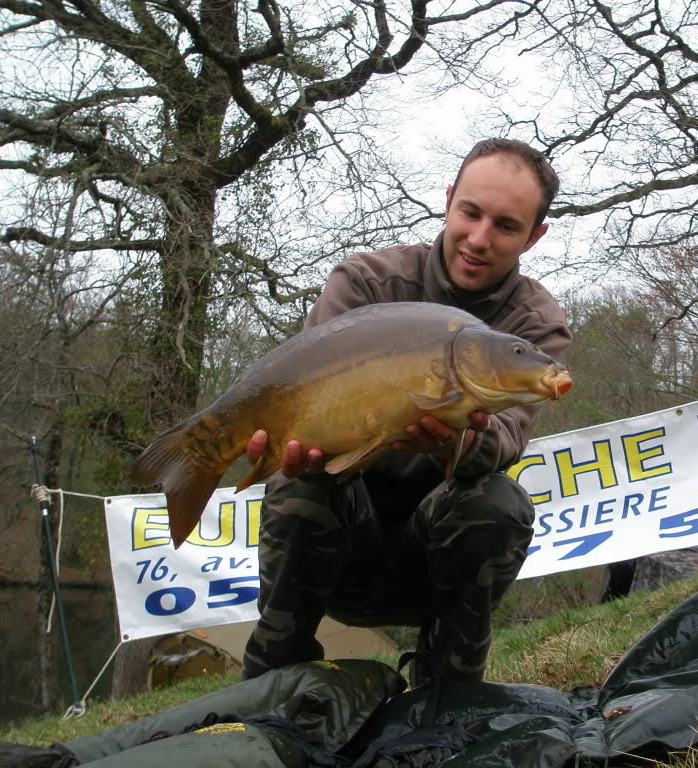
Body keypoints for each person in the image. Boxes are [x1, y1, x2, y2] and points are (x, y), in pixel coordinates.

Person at [240, 138, 572, 685]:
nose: (479, 239)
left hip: (436, 560)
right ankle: (273, 684)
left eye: (507, 226)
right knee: (297, 481)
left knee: (499, 500)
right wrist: (285, 446)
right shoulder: (366, 283)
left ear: (534, 236)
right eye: (470, 212)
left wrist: (456, 441)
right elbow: (297, 390)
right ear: (448, 201)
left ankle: (448, 693)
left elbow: (507, 441)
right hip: (340, 548)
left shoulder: (534, 325)